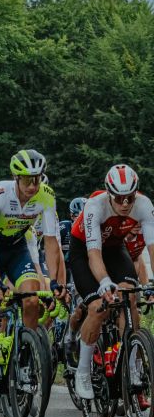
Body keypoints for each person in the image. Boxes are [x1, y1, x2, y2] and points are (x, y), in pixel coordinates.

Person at [0, 149, 65, 405]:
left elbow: (51, 243)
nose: (33, 185)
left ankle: (25, 360)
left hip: (17, 249)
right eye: (27, 179)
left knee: (31, 298)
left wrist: (54, 282)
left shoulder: (46, 196)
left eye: (37, 179)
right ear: (15, 177)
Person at [67, 164, 154, 400]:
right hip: (84, 252)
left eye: (130, 197)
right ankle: (83, 371)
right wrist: (104, 281)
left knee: (130, 297)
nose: (125, 203)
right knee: (97, 307)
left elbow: (152, 248)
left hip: (115, 249)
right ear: (108, 192)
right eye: (119, 198)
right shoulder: (95, 206)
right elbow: (93, 254)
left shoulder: (144, 205)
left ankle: (133, 363)